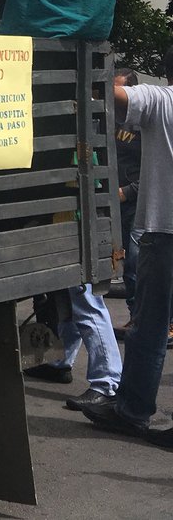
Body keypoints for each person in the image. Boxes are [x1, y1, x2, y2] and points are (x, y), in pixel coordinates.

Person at [0, 0, 122, 413]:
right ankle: (64, 351)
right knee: (73, 180)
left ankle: (84, 354)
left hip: (38, 51)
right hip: (88, 54)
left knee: (33, 184)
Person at [79, 63, 173, 448]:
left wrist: (87, 61)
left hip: (164, 232)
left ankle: (132, 411)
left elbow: (114, 94)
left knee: (149, 328)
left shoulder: (162, 99)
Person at [112, 66, 143, 333]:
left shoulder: (144, 123)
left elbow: (156, 168)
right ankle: (137, 317)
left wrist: (128, 191)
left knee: (136, 263)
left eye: (121, 88)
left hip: (135, 202)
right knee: (124, 264)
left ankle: (158, 321)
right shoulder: (110, 120)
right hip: (115, 202)